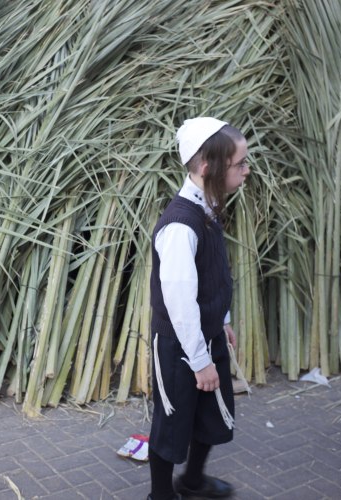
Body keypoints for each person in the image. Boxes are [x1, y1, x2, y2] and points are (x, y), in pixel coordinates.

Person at [148, 117, 250, 500]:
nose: (246, 171)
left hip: (205, 336)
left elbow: (209, 276)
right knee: (172, 421)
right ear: (208, 166)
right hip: (179, 346)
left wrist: (221, 320)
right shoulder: (179, 225)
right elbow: (179, 303)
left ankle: (191, 482)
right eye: (239, 164)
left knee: (209, 414)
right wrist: (199, 360)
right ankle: (160, 496)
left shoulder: (208, 207)